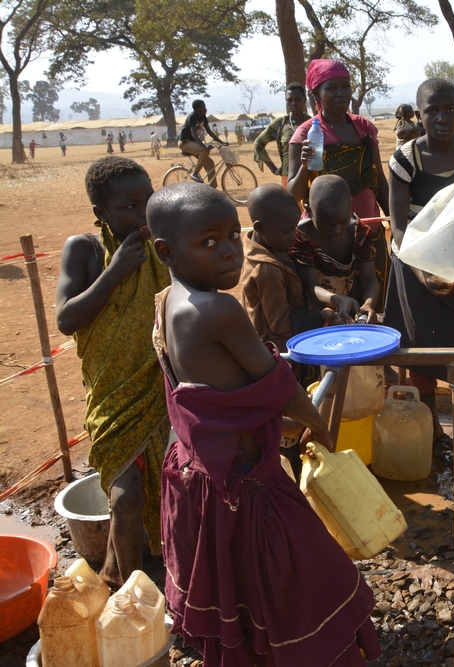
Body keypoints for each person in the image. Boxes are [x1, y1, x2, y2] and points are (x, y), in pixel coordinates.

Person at [146, 182, 381, 666]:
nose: (230, 250)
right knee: (307, 574)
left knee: (237, 584)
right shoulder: (217, 309)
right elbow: (275, 381)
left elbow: (216, 390)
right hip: (246, 484)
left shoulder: (168, 300)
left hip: (202, 477)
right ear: (166, 250)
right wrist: (317, 422)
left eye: (234, 234)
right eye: (208, 242)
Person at [54, 157, 171, 586]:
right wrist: (117, 269)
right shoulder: (85, 249)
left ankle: (112, 573)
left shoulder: (162, 244)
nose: (142, 213)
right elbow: (67, 319)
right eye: (128, 206)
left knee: (167, 489)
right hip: (113, 397)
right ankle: (132, 594)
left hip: (160, 389)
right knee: (126, 498)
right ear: (100, 212)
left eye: (148, 200)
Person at [386, 78, 454, 472]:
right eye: (432, 111)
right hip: (415, 265)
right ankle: (429, 441)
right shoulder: (405, 160)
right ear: (419, 114)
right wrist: (422, 272)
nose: (442, 118)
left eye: (450, 109)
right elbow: (397, 228)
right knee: (423, 358)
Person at [289, 58, 391, 313]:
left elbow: (378, 181)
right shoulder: (305, 134)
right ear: (316, 94)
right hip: (323, 236)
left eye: (345, 86)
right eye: (332, 87)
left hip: (368, 231)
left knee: (373, 302)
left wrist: (396, 225)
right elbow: (294, 194)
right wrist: (306, 165)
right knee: (331, 310)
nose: (341, 93)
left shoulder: (364, 129)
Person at [238, 183, 344, 353]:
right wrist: (320, 316)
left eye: (294, 228)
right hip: (278, 353)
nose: (294, 236)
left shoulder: (267, 245)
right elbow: (280, 324)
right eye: (287, 231)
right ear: (260, 228)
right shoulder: (266, 270)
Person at [289, 174, 379, 322]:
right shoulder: (301, 237)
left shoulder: (360, 233)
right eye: (326, 224)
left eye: (343, 222)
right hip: (315, 315)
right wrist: (336, 300)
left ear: (350, 206)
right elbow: (312, 287)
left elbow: (370, 280)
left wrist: (368, 305)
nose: (336, 231)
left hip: (349, 309)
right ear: (309, 211)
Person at [253, 83, 309, 187]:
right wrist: (274, 169)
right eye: (289, 100)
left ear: (304, 100)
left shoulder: (312, 123)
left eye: (297, 99)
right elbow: (258, 144)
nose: (293, 103)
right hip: (288, 178)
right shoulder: (280, 124)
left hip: (310, 176)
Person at [179, 99, 227, 188]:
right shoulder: (192, 116)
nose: (205, 109)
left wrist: (221, 142)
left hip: (193, 142)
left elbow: (209, 131)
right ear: (197, 109)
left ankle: (212, 188)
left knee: (210, 163)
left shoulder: (203, 116)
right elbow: (194, 134)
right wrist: (204, 147)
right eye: (203, 107)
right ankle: (194, 173)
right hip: (185, 143)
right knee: (204, 150)